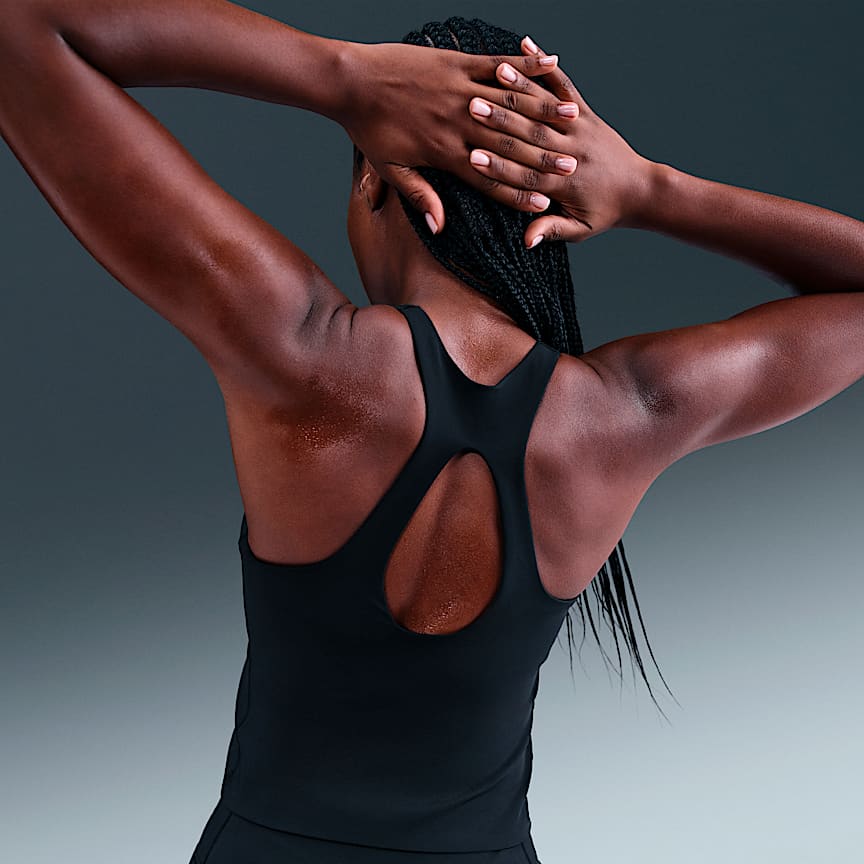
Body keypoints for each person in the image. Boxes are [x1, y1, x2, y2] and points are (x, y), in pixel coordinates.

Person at [2, 3, 863, 864]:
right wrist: (651, 190)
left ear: (373, 182)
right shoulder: (623, 415)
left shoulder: (304, 353)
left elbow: (23, 31)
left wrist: (341, 78)